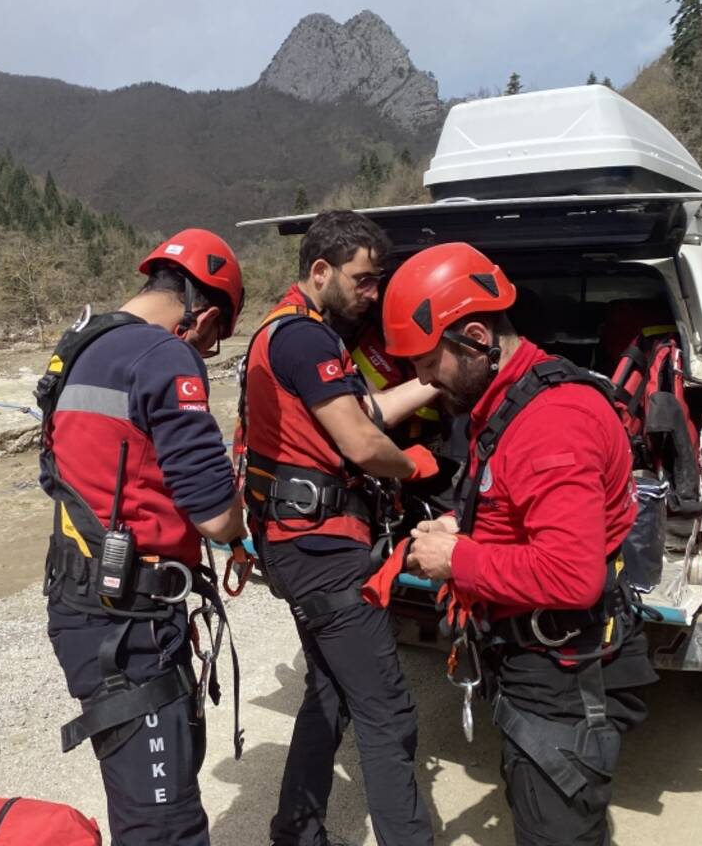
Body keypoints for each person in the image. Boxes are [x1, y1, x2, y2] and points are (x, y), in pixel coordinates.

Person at [384, 242, 657, 846]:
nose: (421, 380)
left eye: (428, 362)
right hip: (538, 659)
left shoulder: (549, 424)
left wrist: (458, 558)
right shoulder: (507, 400)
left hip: (564, 673)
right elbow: (521, 510)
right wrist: (468, 529)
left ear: (477, 337)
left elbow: (571, 576)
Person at [39, 228, 248, 846]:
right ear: (203, 315)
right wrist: (243, 528)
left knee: (142, 803)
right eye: (213, 341)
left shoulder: (79, 345)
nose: (205, 353)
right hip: (128, 622)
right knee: (166, 826)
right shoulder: (164, 356)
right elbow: (214, 511)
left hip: (84, 601)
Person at [240, 209, 436, 846]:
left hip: (293, 545)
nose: (371, 293)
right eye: (364, 279)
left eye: (377, 280)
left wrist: (429, 382)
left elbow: (360, 409)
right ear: (319, 270)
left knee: (328, 693)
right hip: (324, 550)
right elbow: (359, 439)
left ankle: (295, 831)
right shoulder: (305, 338)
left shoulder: (289, 332)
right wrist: (412, 467)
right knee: (387, 713)